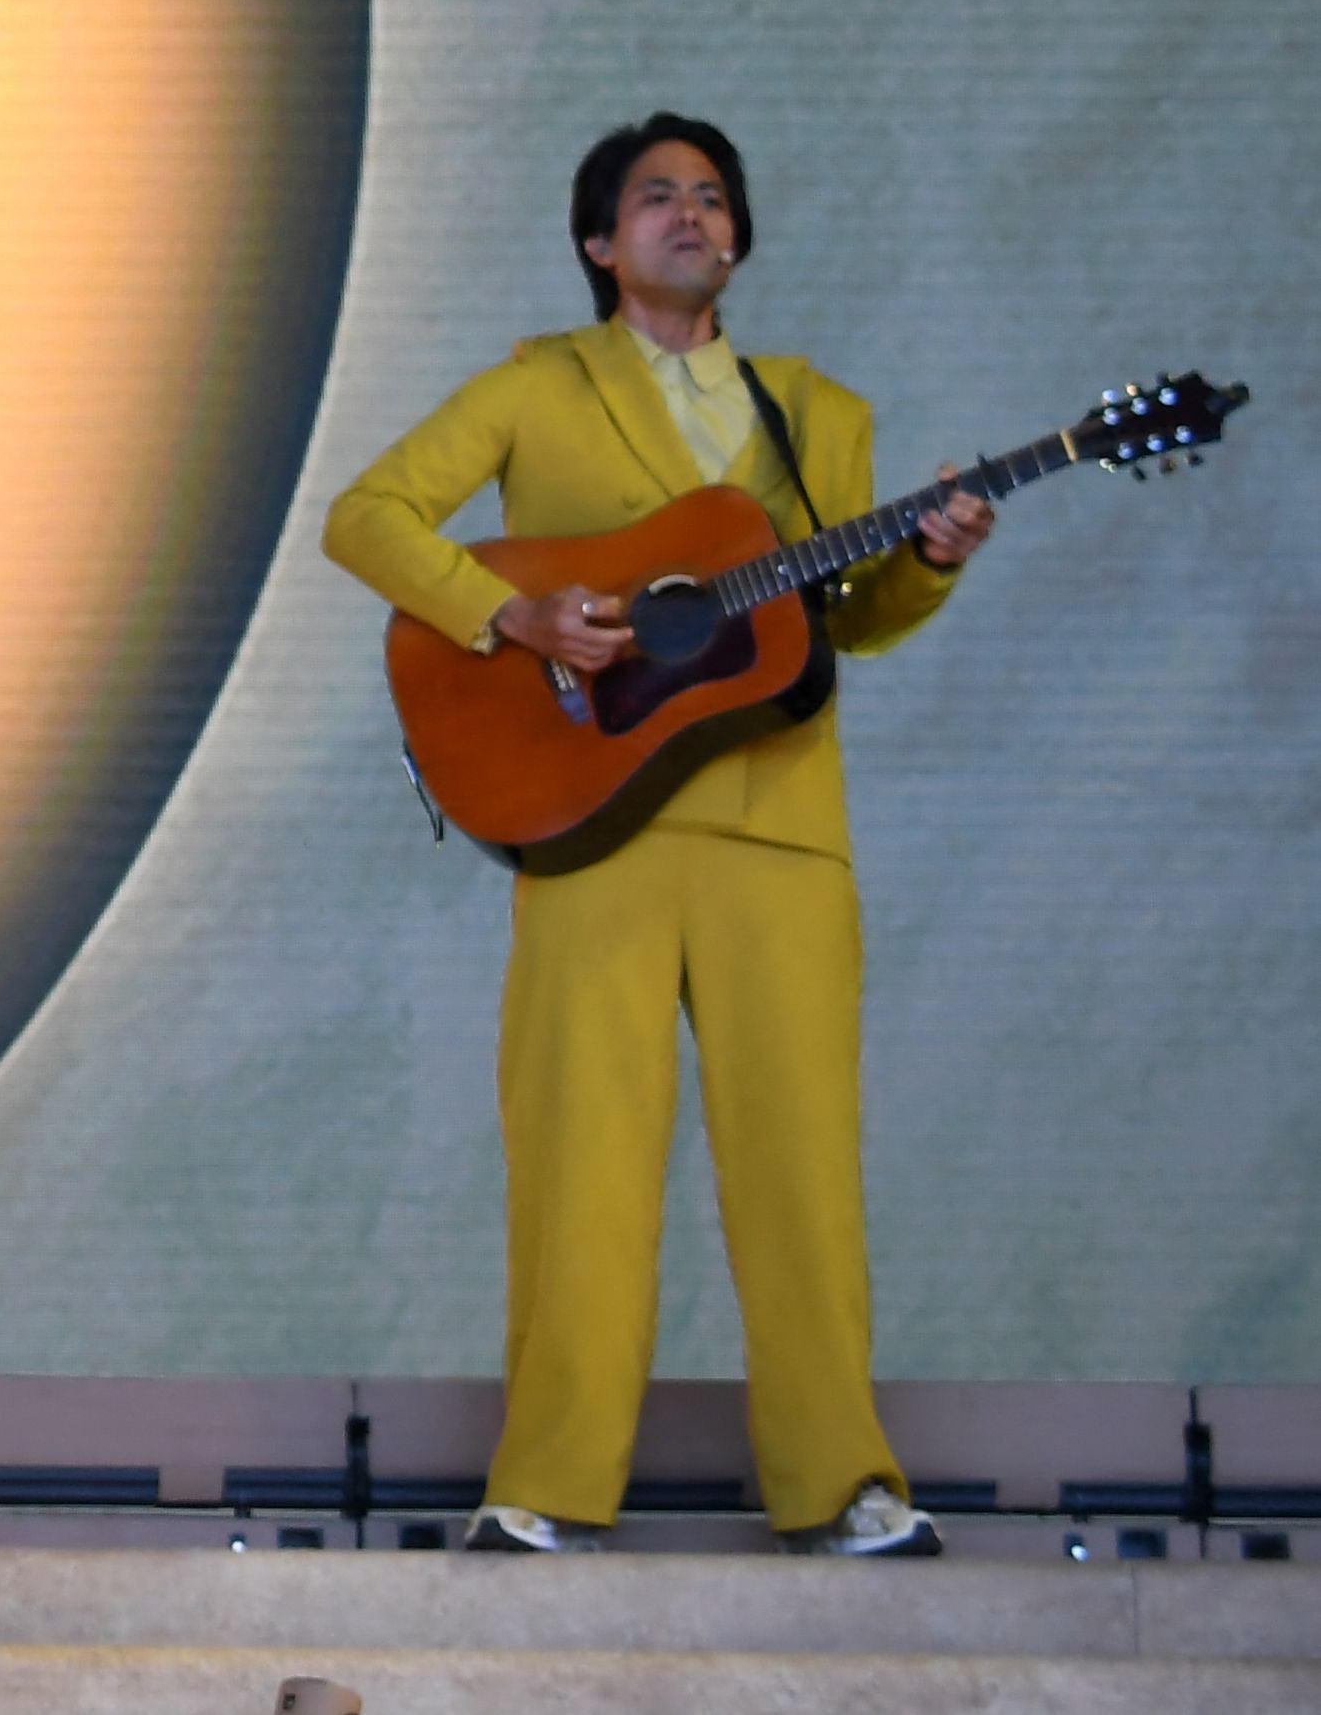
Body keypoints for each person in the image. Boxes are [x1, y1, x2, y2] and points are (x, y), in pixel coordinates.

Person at [320, 114, 987, 1559]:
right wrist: (510, 610)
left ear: (734, 236)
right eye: (652, 194)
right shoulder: (532, 384)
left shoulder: (818, 410)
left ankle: (840, 1482)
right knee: (579, 1162)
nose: (687, 210)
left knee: (800, 1165)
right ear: (595, 242)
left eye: (709, 195)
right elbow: (365, 516)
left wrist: (922, 562)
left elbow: (839, 624)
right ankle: (545, 1482)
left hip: (776, 834)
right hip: (591, 823)